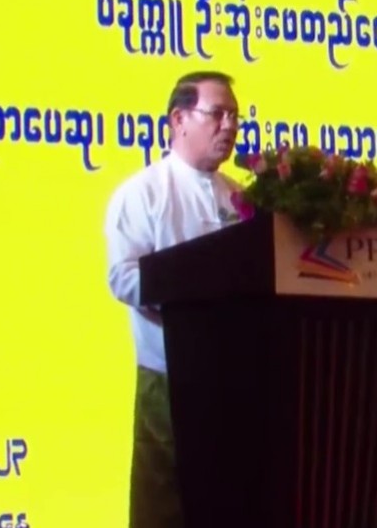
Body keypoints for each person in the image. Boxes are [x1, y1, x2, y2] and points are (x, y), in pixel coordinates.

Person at [104, 70, 243, 528]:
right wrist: (191, 292)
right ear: (179, 120)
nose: (229, 125)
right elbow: (123, 278)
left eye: (234, 116)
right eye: (217, 113)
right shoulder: (142, 193)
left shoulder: (241, 198)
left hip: (233, 377)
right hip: (167, 375)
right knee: (164, 506)